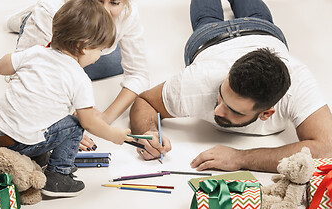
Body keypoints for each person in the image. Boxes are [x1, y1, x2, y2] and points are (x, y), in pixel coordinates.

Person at [129, 0, 332, 173]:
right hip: (214, 37)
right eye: (221, 95)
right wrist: (148, 134)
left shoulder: (297, 83)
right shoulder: (199, 80)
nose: (217, 109)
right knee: (207, 19)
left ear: (266, 113)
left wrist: (241, 159)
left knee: (245, 13)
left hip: (261, 31)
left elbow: (326, 148)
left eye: (233, 109)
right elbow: (145, 100)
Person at [0, 0, 133, 197]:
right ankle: (58, 176)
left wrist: (21, 60)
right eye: (99, 50)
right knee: (74, 124)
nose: (99, 56)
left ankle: (36, 157)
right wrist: (114, 135)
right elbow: (89, 122)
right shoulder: (79, 78)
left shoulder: (36, 52)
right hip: (20, 142)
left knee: (47, 110)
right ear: (83, 46)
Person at [6, 0, 149, 150]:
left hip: (87, 50)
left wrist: (105, 118)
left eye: (114, 3)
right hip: (51, 38)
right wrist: (61, 127)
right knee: (53, 69)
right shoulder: (50, 10)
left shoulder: (128, 12)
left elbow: (138, 74)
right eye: (98, 1)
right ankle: (25, 19)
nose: (105, 11)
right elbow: (23, 75)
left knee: (114, 63)